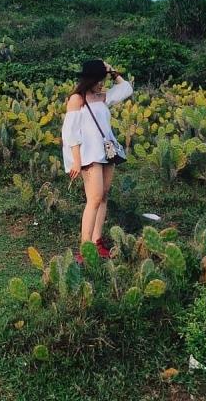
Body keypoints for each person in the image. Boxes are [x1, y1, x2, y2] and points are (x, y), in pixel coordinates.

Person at [61, 59, 133, 261]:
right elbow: (70, 134)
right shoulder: (77, 99)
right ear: (89, 79)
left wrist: (112, 71)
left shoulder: (101, 97)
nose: (102, 83)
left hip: (106, 154)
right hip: (88, 157)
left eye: (103, 79)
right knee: (93, 200)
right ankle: (85, 248)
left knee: (103, 196)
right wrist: (76, 161)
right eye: (99, 79)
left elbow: (126, 89)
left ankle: (97, 240)